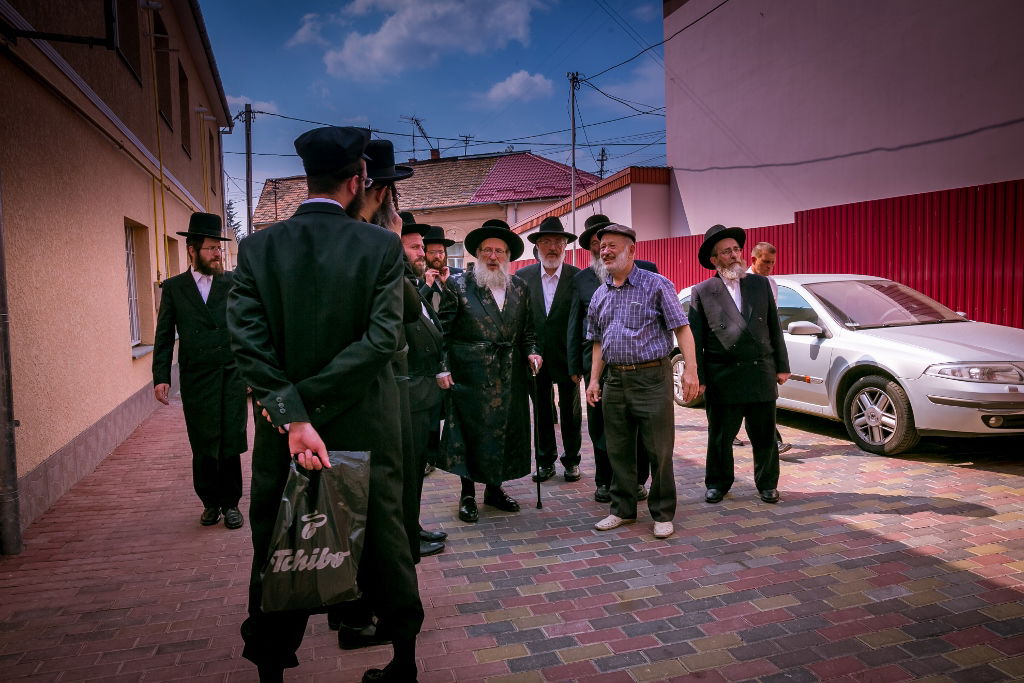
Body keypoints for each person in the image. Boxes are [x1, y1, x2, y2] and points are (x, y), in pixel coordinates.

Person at [227, 126, 422, 683]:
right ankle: (403, 664)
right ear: (358, 179)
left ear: (305, 179)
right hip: (366, 422)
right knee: (384, 538)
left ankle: (270, 669)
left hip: (283, 429)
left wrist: (291, 410)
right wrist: (302, 405)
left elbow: (247, 342)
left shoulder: (258, 248)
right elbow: (383, 340)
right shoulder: (380, 246)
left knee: (279, 536)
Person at [585, 224, 699, 540]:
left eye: (613, 246)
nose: (606, 251)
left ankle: (662, 513)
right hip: (615, 381)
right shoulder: (600, 293)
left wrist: (691, 370)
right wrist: (594, 380)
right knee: (618, 449)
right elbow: (597, 341)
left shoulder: (657, 285)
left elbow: (682, 328)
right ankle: (622, 509)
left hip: (651, 378)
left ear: (632, 250)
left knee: (659, 450)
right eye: (602, 246)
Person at [436, 219, 541, 523]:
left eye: (500, 251)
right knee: (469, 433)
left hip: (509, 374)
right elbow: (442, 331)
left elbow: (528, 332)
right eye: (487, 250)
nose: (493, 256)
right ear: (478, 253)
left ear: (508, 256)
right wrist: (442, 368)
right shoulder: (458, 285)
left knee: (503, 432)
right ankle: (467, 494)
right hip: (470, 373)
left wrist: (533, 352)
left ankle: (494, 489)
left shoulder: (519, 287)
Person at [152, 212, 247, 530]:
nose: (218, 253)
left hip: (231, 374)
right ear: (192, 250)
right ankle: (210, 503)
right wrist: (161, 376)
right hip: (197, 378)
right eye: (211, 248)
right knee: (204, 443)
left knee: (230, 441)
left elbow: (247, 327)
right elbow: (164, 335)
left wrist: (251, 372)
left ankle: (231, 504)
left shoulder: (233, 283)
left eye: (219, 248)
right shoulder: (174, 288)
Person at [688, 225, 791, 507]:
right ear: (714, 259)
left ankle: (767, 484)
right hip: (723, 375)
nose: (734, 255)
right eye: (726, 251)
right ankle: (717, 483)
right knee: (720, 437)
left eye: (736, 249)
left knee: (764, 435)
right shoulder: (703, 291)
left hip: (759, 371)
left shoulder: (760, 284)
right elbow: (696, 339)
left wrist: (781, 365)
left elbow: (774, 327)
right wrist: (699, 377)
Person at [568, 214, 657, 503]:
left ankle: (638, 480)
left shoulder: (648, 271)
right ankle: (604, 481)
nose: (602, 248)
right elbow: (575, 324)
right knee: (600, 427)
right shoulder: (581, 279)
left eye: (607, 242)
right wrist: (575, 366)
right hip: (596, 368)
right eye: (596, 243)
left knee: (638, 427)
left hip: (637, 366)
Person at [516, 216, 583, 483]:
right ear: (537, 246)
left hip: (567, 356)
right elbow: (521, 320)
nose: (552, 247)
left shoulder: (577, 277)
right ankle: (545, 462)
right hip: (535, 356)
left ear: (565, 245)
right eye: (546, 241)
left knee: (570, 412)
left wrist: (579, 361)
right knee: (542, 411)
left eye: (558, 241)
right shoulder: (523, 277)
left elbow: (583, 321)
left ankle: (572, 461)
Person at [400, 213, 449, 555]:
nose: (422, 252)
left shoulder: (413, 285)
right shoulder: (397, 286)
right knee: (408, 472)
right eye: (415, 247)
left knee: (416, 471)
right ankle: (407, 537)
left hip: (422, 397)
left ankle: (412, 527)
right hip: (409, 396)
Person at [746, 241, 791, 454]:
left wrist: (780, 361)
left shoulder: (772, 284)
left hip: (765, 351)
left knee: (764, 401)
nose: (770, 267)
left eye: (773, 263)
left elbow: (774, 322)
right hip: (746, 352)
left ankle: (773, 442)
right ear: (753, 260)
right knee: (751, 402)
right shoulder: (741, 282)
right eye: (765, 262)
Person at [421, 225, 462, 312]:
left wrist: (449, 283)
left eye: (440, 252)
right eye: (432, 252)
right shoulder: (419, 278)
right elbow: (417, 307)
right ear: (425, 254)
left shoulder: (459, 274)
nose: (437, 256)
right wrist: (428, 285)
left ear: (445, 253)